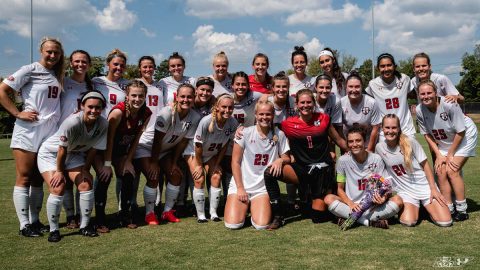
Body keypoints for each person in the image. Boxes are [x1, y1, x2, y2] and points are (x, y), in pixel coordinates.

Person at [0, 37, 65, 237]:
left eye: (56, 52)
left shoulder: (59, 73)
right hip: (28, 131)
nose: (52, 55)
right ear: (41, 51)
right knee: (25, 176)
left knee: (38, 179)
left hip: (49, 132)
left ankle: (35, 222)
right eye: (49, 51)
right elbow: (2, 90)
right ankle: (24, 225)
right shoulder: (29, 69)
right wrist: (17, 113)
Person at [264, 89, 348, 229]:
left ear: (314, 103)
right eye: (302, 102)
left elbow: (339, 140)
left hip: (322, 172)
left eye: (309, 102)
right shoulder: (287, 124)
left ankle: (330, 206)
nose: (305, 105)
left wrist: (361, 155)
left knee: (317, 218)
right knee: (270, 173)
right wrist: (240, 129)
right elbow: (266, 124)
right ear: (296, 104)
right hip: (301, 170)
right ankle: (278, 215)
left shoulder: (323, 119)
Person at [37, 91, 108, 242]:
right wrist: (59, 171)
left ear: (102, 108)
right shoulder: (72, 122)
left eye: (98, 107)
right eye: (90, 107)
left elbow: (94, 149)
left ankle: (85, 226)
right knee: (58, 187)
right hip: (52, 154)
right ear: (82, 106)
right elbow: (62, 149)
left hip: (75, 154)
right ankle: (54, 230)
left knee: (86, 183)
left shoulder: (103, 123)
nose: (94, 110)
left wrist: (85, 169)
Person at [137, 83, 201, 225]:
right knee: (153, 177)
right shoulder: (166, 113)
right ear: (176, 97)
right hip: (146, 148)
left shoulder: (195, 117)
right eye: (182, 96)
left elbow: (183, 142)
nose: (186, 99)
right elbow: (157, 141)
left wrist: (173, 163)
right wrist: (154, 163)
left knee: (175, 174)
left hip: (165, 151)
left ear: (194, 97)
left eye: (189, 97)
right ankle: (150, 213)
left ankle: (167, 211)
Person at [416, 81, 477, 221]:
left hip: (465, 135)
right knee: (440, 171)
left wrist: (450, 154)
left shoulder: (449, 104)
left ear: (436, 92)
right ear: (419, 95)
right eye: (422, 94)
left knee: (452, 170)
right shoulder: (420, 110)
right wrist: (438, 155)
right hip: (446, 140)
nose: (426, 96)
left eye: (429, 93)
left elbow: (461, 131)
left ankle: (462, 210)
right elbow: (427, 135)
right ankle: (448, 207)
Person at [376, 114, 452, 227]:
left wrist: (433, 189)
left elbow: (426, 165)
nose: (390, 131)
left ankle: (426, 207)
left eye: (394, 127)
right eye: (387, 127)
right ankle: (420, 208)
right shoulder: (379, 147)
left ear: (399, 129)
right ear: (382, 128)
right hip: (406, 192)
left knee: (445, 222)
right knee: (408, 222)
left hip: (425, 187)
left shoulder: (410, 141)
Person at [224, 100, 290, 230]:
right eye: (261, 114)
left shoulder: (279, 134)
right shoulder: (244, 133)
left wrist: (280, 160)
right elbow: (235, 162)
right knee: (233, 224)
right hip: (242, 185)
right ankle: (245, 207)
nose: (264, 117)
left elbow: (287, 157)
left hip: (262, 188)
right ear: (255, 114)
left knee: (261, 225)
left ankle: (254, 205)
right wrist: (240, 188)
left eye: (268, 114)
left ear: (273, 115)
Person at [95, 81, 151, 231]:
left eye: (141, 96)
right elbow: (109, 139)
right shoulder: (118, 112)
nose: (137, 99)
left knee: (128, 174)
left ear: (145, 96)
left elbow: (136, 138)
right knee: (104, 176)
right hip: (101, 150)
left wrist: (128, 160)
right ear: (127, 96)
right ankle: (100, 220)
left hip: (120, 151)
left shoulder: (146, 113)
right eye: (133, 95)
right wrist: (107, 165)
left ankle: (124, 216)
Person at [324, 127, 403, 229]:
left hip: (373, 206)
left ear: (364, 141)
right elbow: (339, 189)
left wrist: (383, 198)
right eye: (351, 141)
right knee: (328, 199)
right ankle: (369, 222)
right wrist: (351, 204)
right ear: (347, 144)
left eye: (358, 140)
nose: (354, 144)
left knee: (398, 201)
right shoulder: (342, 161)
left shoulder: (376, 159)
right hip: (352, 206)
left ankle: (352, 219)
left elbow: (386, 186)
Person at [185, 94, 238, 222]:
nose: (227, 110)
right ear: (217, 107)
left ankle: (213, 212)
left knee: (216, 175)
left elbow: (225, 145)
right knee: (199, 178)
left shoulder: (232, 122)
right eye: (224, 107)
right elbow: (198, 145)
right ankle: (201, 215)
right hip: (194, 152)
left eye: (230, 107)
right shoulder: (206, 121)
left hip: (210, 154)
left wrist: (216, 164)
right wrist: (198, 165)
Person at [60, 49, 94, 229]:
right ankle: (70, 216)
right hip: (61, 137)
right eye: (77, 61)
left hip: (82, 141)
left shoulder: (91, 86)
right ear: (70, 63)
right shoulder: (62, 82)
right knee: (64, 181)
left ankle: (81, 216)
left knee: (81, 178)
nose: (80, 65)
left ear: (89, 65)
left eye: (84, 62)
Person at [365, 53, 416, 140]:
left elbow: (415, 95)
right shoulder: (373, 84)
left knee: (409, 153)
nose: (386, 69)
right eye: (382, 66)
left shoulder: (404, 79)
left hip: (406, 129)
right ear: (378, 68)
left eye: (389, 65)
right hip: (385, 131)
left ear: (395, 66)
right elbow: (366, 102)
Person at [340, 71, 381, 151]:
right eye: (350, 86)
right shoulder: (341, 103)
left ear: (362, 87)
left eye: (357, 86)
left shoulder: (372, 102)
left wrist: (369, 149)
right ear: (346, 87)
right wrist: (346, 149)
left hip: (368, 143)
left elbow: (375, 128)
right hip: (349, 144)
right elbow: (339, 129)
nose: (354, 90)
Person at [92, 49, 129, 116]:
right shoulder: (96, 81)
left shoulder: (128, 84)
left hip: (119, 124)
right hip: (99, 124)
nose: (119, 68)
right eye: (115, 64)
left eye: (122, 65)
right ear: (108, 64)